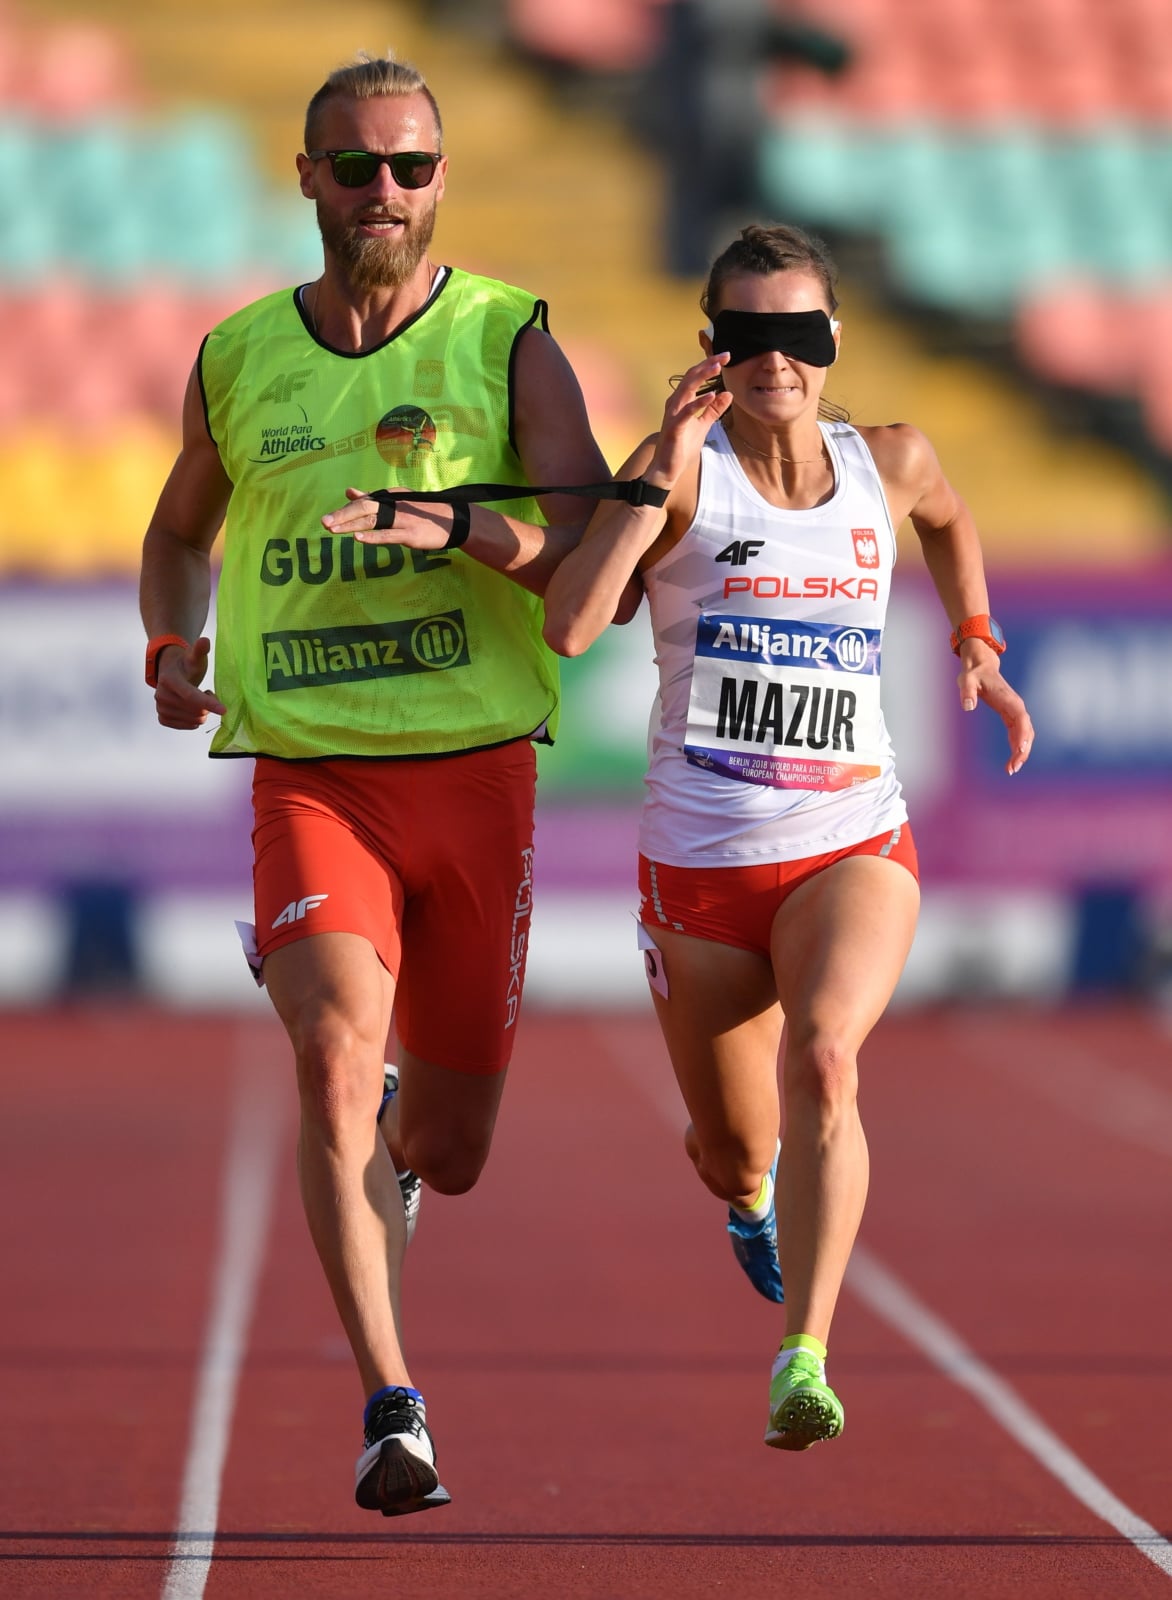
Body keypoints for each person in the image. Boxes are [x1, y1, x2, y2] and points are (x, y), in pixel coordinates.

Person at [139, 51, 611, 1516]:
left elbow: (587, 548)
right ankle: (392, 1407)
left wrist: (451, 524)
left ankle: (404, 1144)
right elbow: (178, 535)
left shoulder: (508, 338)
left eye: (409, 167)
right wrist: (171, 636)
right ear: (307, 180)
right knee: (335, 1050)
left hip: (474, 775)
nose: (383, 194)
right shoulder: (238, 356)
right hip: (312, 773)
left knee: (450, 1153)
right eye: (356, 168)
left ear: (441, 178)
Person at [538, 222, 1035, 1450]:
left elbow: (950, 518)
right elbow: (570, 624)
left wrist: (975, 634)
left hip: (848, 840)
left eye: (798, 335)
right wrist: (657, 459)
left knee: (823, 1056)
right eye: (747, 337)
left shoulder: (892, 458)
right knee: (727, 1150)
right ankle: (749, 1198)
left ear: (831, 342)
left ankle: (801, 1353)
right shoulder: (684, 477)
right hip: (699, 876)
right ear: (710, 349)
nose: (777, 361)